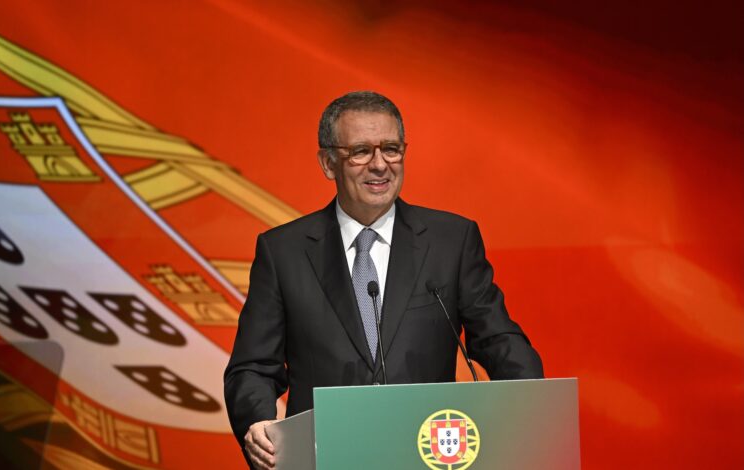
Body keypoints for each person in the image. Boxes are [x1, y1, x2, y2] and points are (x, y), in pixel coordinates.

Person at [224, 91, 543, 469]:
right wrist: (258, 421)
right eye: (361, 151)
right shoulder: (284, 251)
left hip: (428, 456)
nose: (380, 165)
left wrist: (534, 405)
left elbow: (497, 340)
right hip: (323, 456)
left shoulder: (451, 241)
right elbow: (252, 367)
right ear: (328, 163)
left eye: (391, 149)